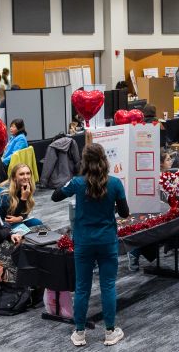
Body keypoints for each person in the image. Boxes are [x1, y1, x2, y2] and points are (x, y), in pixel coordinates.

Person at [52, 144, 129, 346]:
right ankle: (110, 332)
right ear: (104, 160)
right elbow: (125, 214)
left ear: (84, 161)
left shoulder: (77, 183)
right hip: (107, 241)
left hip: (84, 243)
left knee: (82, 288)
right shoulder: (115, 184)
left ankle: (79, 333)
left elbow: (55, 196)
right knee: (108, 286)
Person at [0, 162, 42, 227]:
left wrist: (21, 218)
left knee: (37, 223)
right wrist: (23, 199)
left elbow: (25, 211)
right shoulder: (4, 193)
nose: (26, 177)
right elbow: (11, 218)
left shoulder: (26, 187)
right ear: (14, 177)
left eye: (28, 173)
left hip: (17, 219)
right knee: (21, 228)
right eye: (21, 174)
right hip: (3, 223)